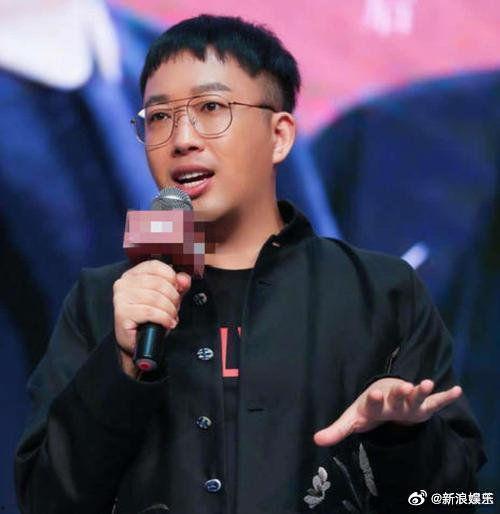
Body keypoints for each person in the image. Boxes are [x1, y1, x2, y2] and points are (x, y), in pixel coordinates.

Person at [15, 14, 486, 514]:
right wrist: (120, 370)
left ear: (279, 135)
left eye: (211, 108)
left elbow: (457, 498)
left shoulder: (379, 294)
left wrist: (403, 438)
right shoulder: (104, 300)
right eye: (158, 118)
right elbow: (45, 499)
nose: (181, 139)